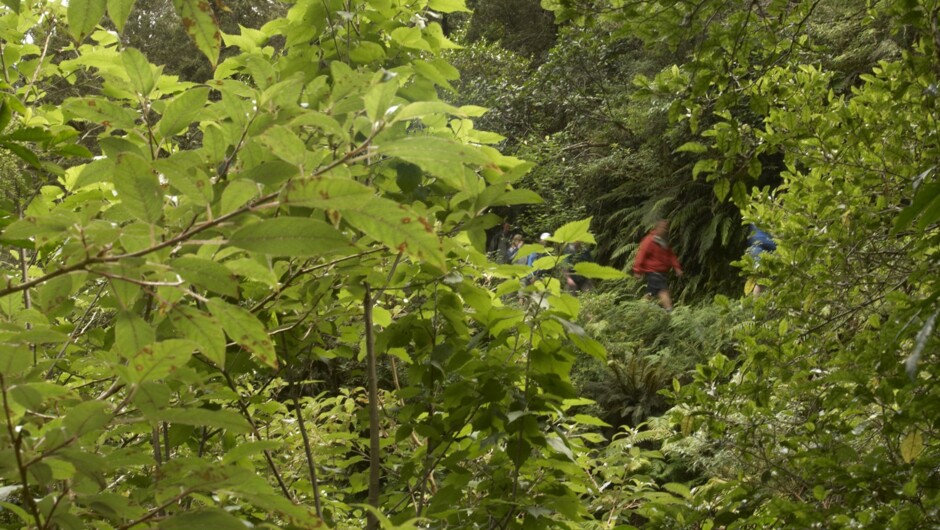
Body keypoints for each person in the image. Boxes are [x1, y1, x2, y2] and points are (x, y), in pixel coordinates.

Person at [632, 219, 683, 310]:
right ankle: (670, 312)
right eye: (663, 227)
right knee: (663, 291)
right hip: (653, 272)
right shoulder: (649, 240)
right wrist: (637, 270)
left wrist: (677, 267)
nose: (665, 230)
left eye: (666, 228)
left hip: (662, 273)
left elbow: (671, 255)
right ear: (658, 228)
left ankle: (639, 310)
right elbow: (641, 255)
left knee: (650, 294)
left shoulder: (663, 241)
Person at [746, 224, 776, 296]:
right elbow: (764, 240)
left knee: (765, 281)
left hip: (757, 249)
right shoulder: (761, 220)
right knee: (762, 280)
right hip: (759, 250)